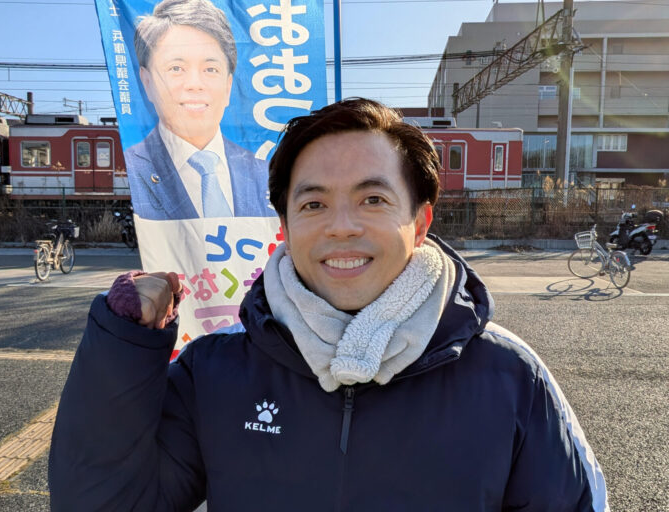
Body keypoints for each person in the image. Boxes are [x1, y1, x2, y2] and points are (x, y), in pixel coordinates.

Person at [50, 98, 608, 511]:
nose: (341, 227)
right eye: (313, 204)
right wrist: (123, 344)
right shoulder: (214, 372)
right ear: (286, 226)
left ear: (419, 223)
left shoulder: (509, 376)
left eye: (373, 199)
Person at [124, 0, 274, 221]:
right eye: (176, 68)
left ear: (228, 86)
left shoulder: (265, 172)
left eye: (210, 69)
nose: (195, 84)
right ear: (147, 82)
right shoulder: (134, 167)